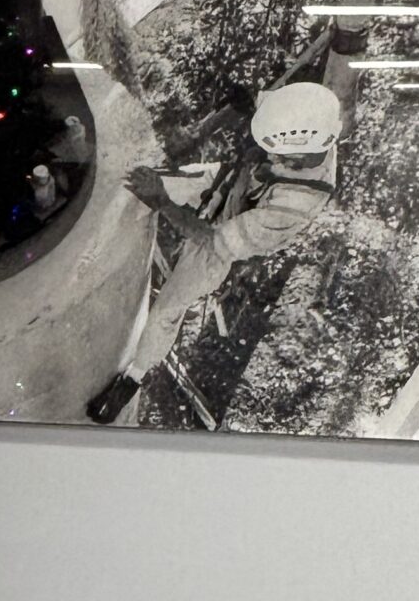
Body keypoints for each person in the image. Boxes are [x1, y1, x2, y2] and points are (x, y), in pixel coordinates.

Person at [86, 82, 342, 426]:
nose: (270, 156)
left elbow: (212, 239)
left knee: (169, 308)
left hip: (227, 235)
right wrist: (210, 124)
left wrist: (162, 200)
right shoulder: (303, 114)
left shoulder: (292, 209)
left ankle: (133, 378)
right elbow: (255, 108)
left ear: (300, 153)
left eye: (277, 155)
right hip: (229, 183)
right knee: (133, 186)